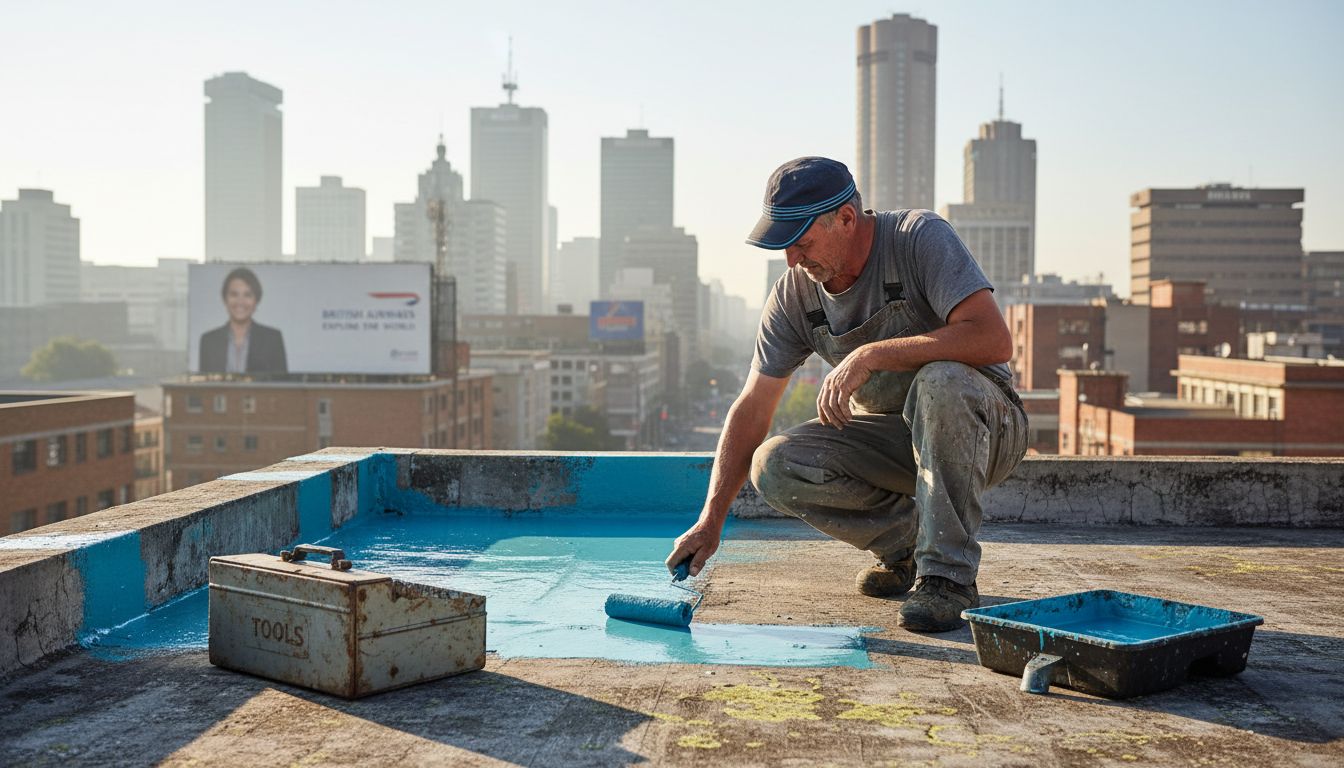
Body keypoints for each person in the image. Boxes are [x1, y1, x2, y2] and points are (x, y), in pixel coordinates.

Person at [665, 157, 1028, 632]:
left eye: (802, 242)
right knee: (773, 464)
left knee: (940, 381)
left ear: (847, 219)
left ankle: (948, 579)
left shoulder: (918, 239)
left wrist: (872, 355)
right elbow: (754, 405)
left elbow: (992, 338)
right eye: (783, 246)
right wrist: (710, 521)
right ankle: (906, 551)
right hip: (894, 441)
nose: (792, 259)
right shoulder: (796, 295)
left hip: (983, 428)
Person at [198, 267, 288, 374]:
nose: (240, 302)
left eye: (247, 295)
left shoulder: (272, 339)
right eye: (234, 295)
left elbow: (281, 387)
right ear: (225, 299)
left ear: (256, 301)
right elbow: (204, 387)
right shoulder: (209, 341)